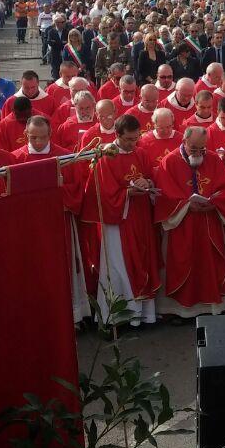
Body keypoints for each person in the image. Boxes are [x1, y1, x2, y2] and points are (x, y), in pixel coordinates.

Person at [79, 114, 161, 327]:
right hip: (117, 222)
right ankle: (118, 317)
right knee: (118, 266)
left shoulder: (141, 153)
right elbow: (102, 194)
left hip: (140, 216)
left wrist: (148, 181)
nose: (133, 144)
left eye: (136, 138)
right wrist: (127, 193)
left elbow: (152, 177)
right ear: (117, 135)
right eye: (128, 139)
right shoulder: (106, 157)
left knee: (143, 261)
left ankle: (144, 315)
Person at [154, 125, 225, 319]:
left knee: (209, 264)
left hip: (208, 222)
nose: (198, 153)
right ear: (184, 142)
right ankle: (181, 311)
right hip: (183, 224)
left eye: (202, 149)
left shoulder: (213, 159)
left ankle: (210, 307)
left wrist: (214, 202)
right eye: (194, 149)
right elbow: (165, 193)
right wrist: (186, 206)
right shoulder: (170, 161)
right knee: (183, 262)